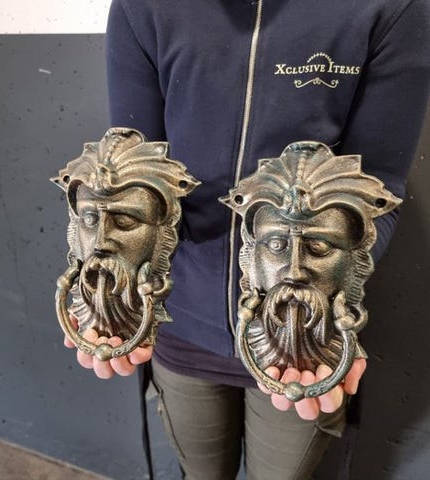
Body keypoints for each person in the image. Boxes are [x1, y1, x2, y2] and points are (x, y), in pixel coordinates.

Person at [64, 0, 430, 478]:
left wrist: (324, 300)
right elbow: (136, 171)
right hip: (180, 320)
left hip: (303, 334)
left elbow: (377, 194)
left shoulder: (394, 8)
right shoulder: (144, 6)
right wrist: (111, 285)